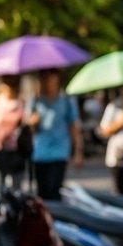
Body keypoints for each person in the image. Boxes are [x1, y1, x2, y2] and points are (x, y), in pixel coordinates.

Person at [26, 69, 83, 201]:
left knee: (55, 189)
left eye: (50, 79)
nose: (47, 83)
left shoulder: (67, 101)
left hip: (60, 151)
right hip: (40, 152)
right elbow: (29, 129)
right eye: (44, 79)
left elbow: (74, 127)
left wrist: (78, 152)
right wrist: (33, 122)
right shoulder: (35, 101)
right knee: (42, 192)